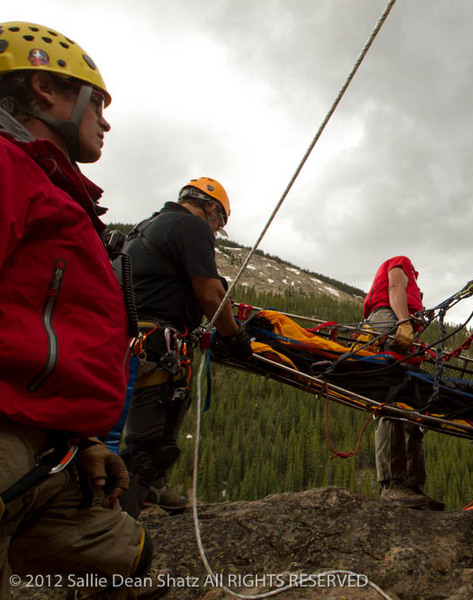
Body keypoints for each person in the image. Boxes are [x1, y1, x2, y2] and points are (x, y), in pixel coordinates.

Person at [0, 21, 158, 598]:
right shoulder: (7, 166)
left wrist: (80, 437)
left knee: (126, 561)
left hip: (52, 448)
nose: (107, 120)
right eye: (98, 103)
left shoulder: (58, 191)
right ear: (45, 88)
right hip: (8, 435)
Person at [118, 177, 252, 518]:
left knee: (150, 428)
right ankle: (123, 525)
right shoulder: (191, 227)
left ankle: (153, 490)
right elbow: (209, 295)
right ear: (211, 208)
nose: (216, 227)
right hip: (157, 344)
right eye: (219, 221)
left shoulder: (146, 227)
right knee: (147, 447)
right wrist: (234, 337)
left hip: (130, 342)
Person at [363, 256, 443, 510]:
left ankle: (412, 486)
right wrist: (403, 321)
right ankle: (392, 484)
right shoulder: (401, 261)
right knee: (393, 396)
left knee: (413, 410)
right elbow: (395, 287)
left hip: (400, 324)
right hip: (389, 320)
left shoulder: (412, 284)